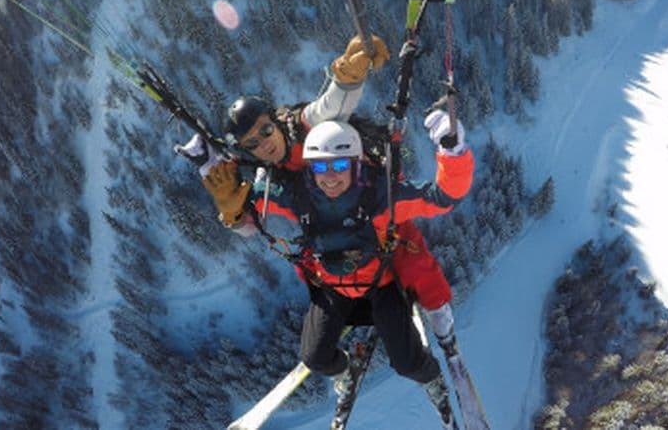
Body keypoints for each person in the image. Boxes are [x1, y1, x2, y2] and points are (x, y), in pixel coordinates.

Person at [178, 34, 460, 355]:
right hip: (328, 222)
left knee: (409, 256)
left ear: (275, 120)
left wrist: (350, 74)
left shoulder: (304, 126)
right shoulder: (268, 176)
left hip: (365, 194)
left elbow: (333, 103)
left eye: (265, 130)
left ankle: (439, 314)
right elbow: (253, 224)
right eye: (252, 144)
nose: (263, 143)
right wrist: (231, 212)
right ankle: (345, 317)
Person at [203, 110, 471, 428]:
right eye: (321, 167)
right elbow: (246, 205)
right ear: (310, 170)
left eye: (340, 165)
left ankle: (430, 378)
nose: (330, 176)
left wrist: (452, 152)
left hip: (380, 286)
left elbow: (443, 197)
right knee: (315, 357)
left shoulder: (380, 196)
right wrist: (218, 183)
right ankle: (344, 372)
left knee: (408, 362)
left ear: (356, 165)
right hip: (334, 288)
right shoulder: (297, 196)